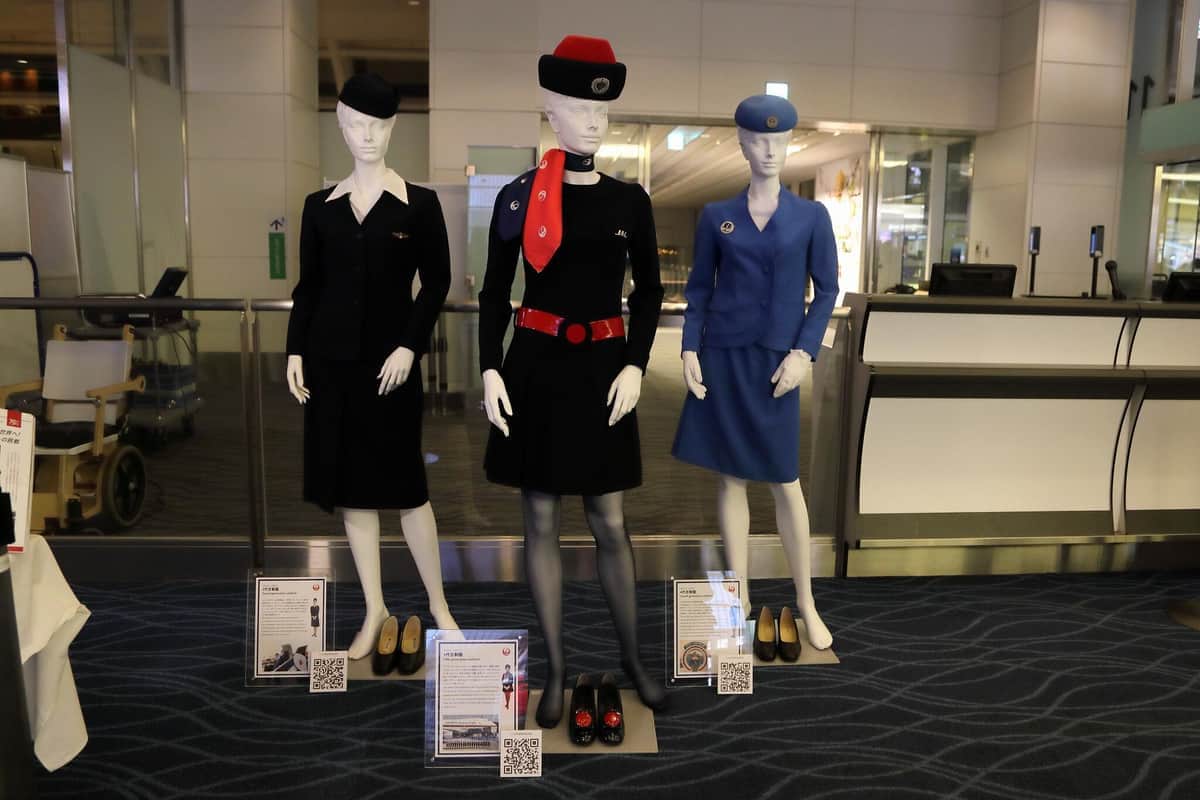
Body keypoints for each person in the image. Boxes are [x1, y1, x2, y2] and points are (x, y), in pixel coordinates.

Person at [478, 35, 668, 727]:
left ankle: (633, 660)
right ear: (550, 112)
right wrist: (489, 366)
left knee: (610, 520)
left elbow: (649, 293)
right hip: (535, 367)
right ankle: (556, 669)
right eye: (578, 107)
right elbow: (494, 294)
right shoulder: (517, 198)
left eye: (601, 109)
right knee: (539, 518)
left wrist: (637, 364)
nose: (593, 120)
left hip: (603, 372)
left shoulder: (629, 201)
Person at [285, 73, 459, 660]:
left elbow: (437, 282)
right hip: (331, 365)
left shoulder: (419, 204)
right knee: (353, 492)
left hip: (392, 367)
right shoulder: (319, 208)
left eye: (378, 126)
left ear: (393, 129)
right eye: (357, 125)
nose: (367, 136)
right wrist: (295, 350)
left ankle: (438, 605)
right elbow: (308, 288)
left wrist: (410, 345)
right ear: (340, 127)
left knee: (408, 487)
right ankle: (375, 608)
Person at [672, 94, 839, 651]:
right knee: (730, 478)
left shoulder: (811, 217)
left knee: (786, 481)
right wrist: (689, 348)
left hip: (777, 363)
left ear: (789, 144)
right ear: (742, 144)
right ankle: (738, 596)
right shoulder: (716, 215)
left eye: (779, 140)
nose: (769, 150)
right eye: (759, 140)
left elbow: (827, 291)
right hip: (724, 357)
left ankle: (806, 601)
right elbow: (699, 289)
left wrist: (804, 353)